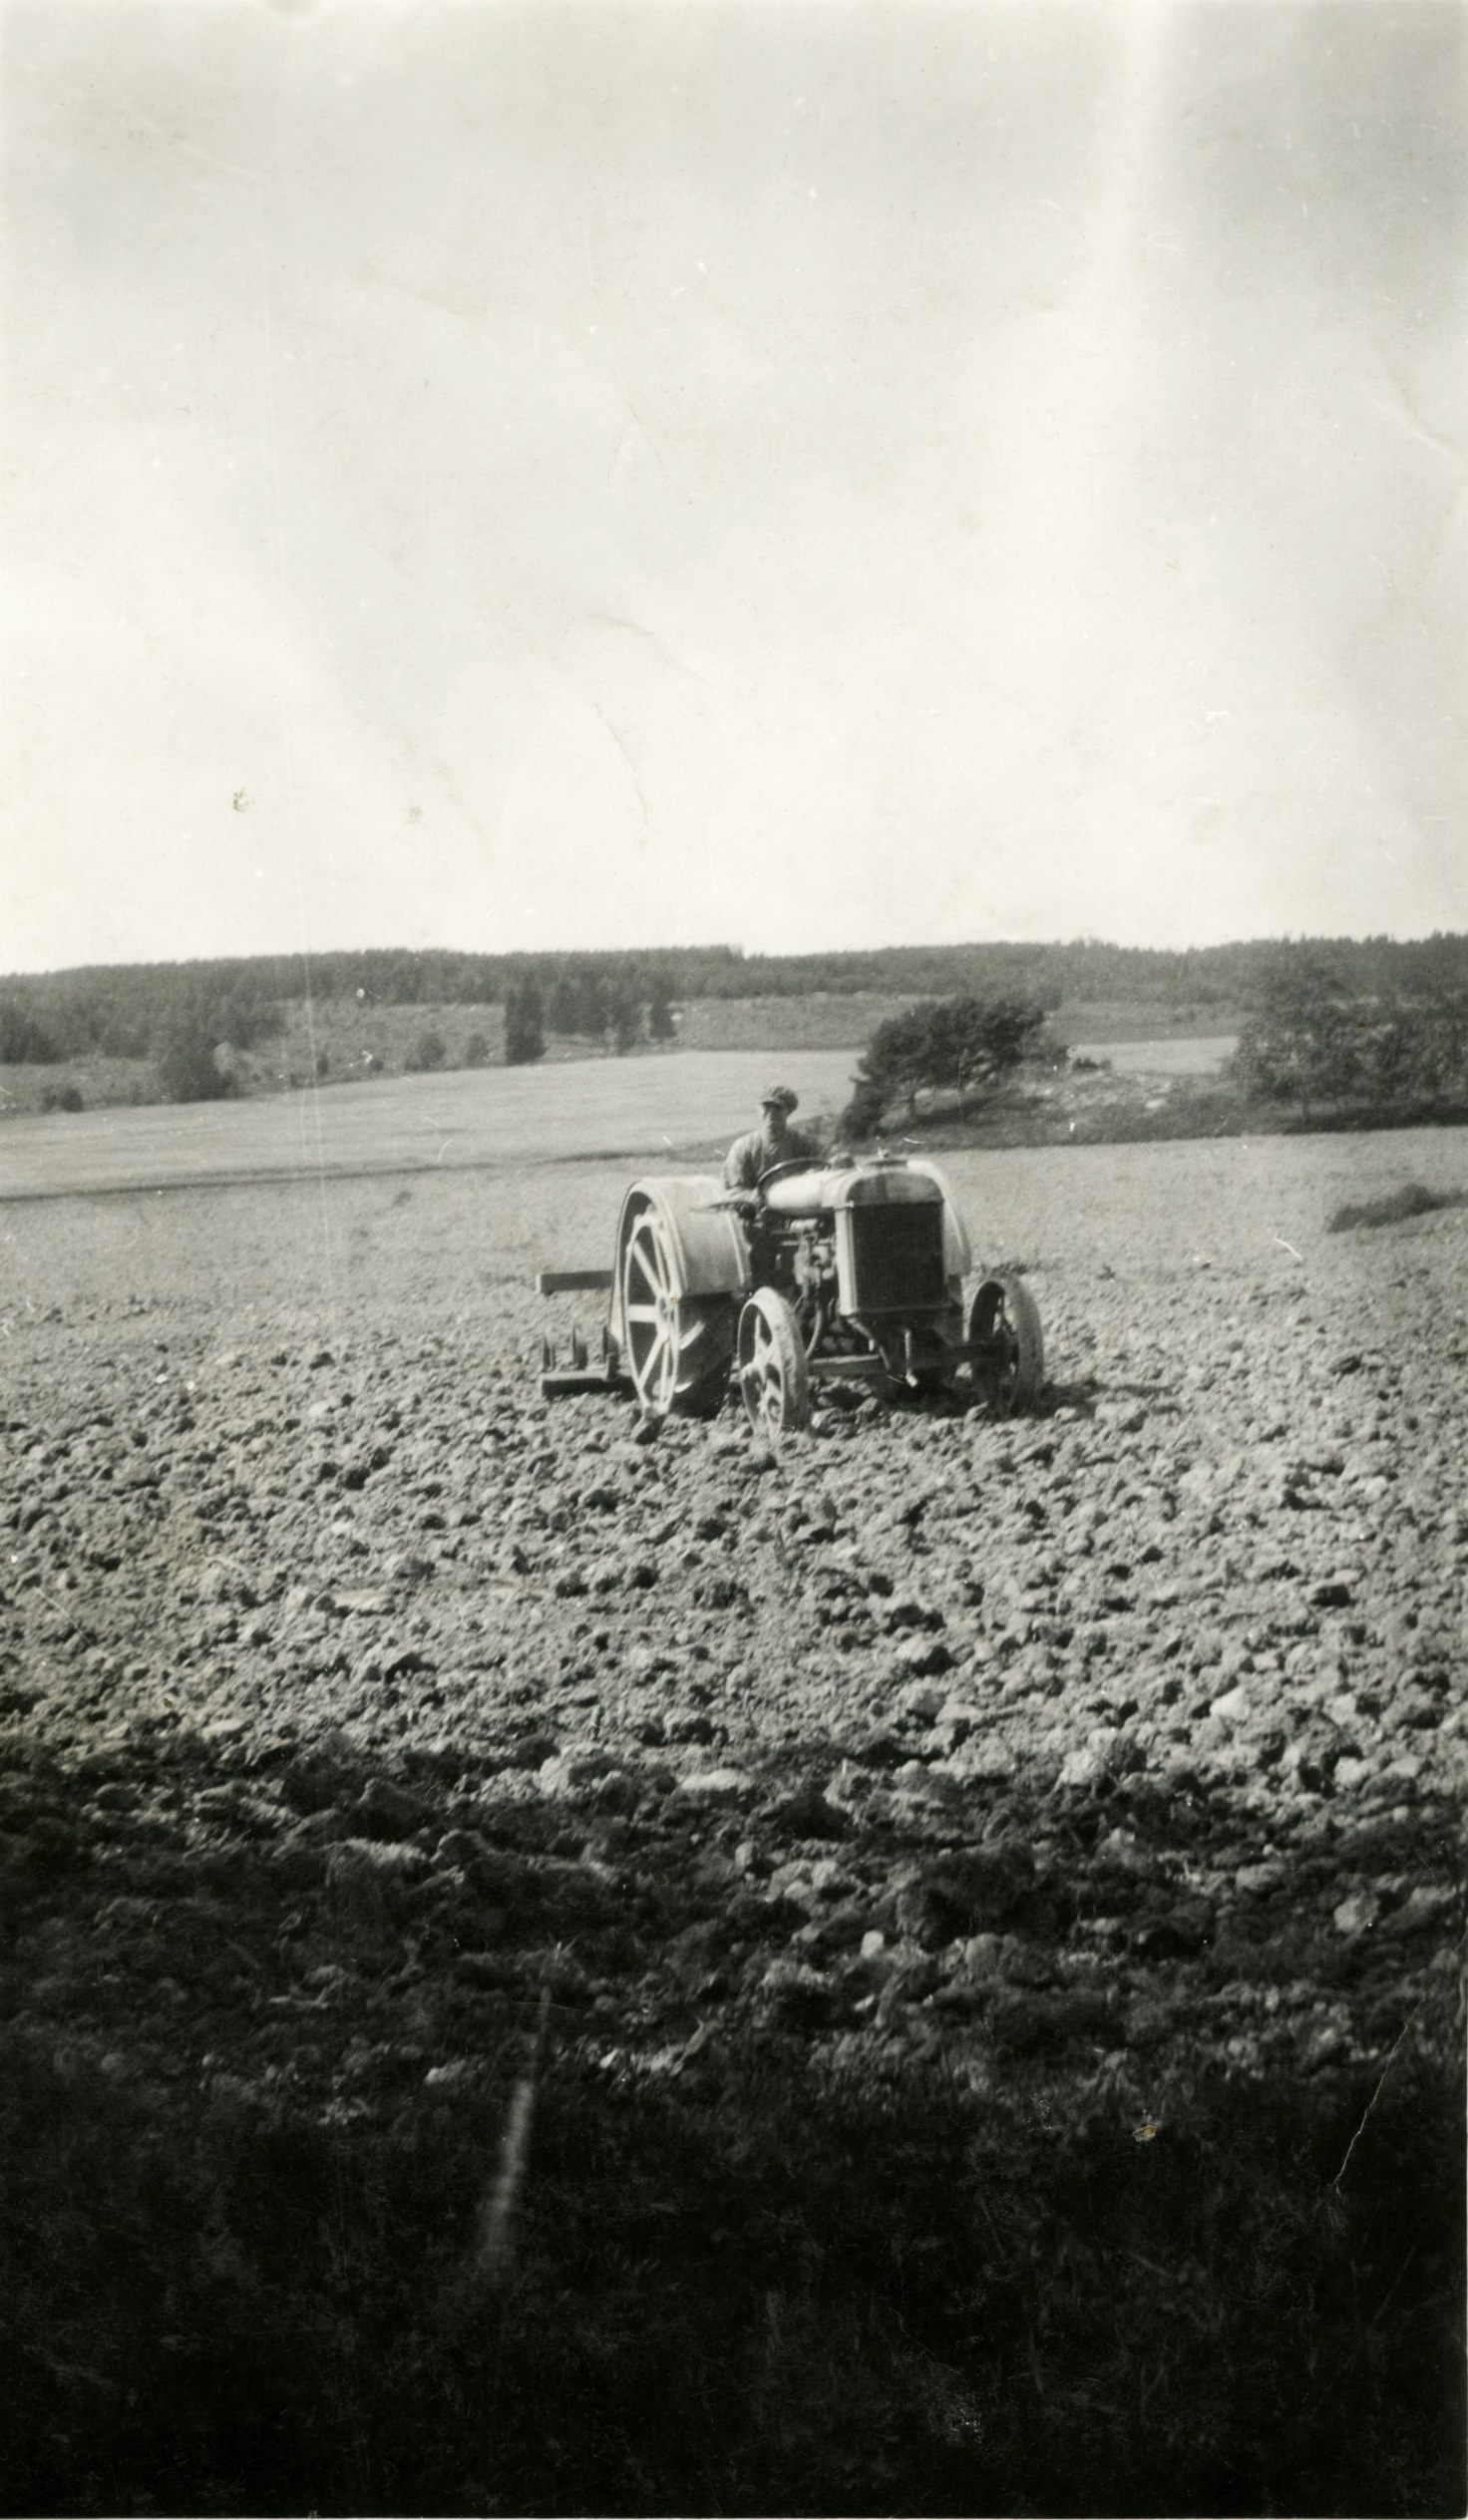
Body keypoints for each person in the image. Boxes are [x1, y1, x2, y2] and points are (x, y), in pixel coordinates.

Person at [722, 1085, 822, 1192]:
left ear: (788, 1111)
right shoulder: (742, 1147)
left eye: (777, 1108)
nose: (771, 1114)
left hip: (797, 1203)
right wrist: (754, 1198)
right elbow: (733, 1191)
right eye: (766, 1108)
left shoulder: (803, 1143)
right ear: (758, 1110)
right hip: (756, 1206)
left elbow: (823, 1167)